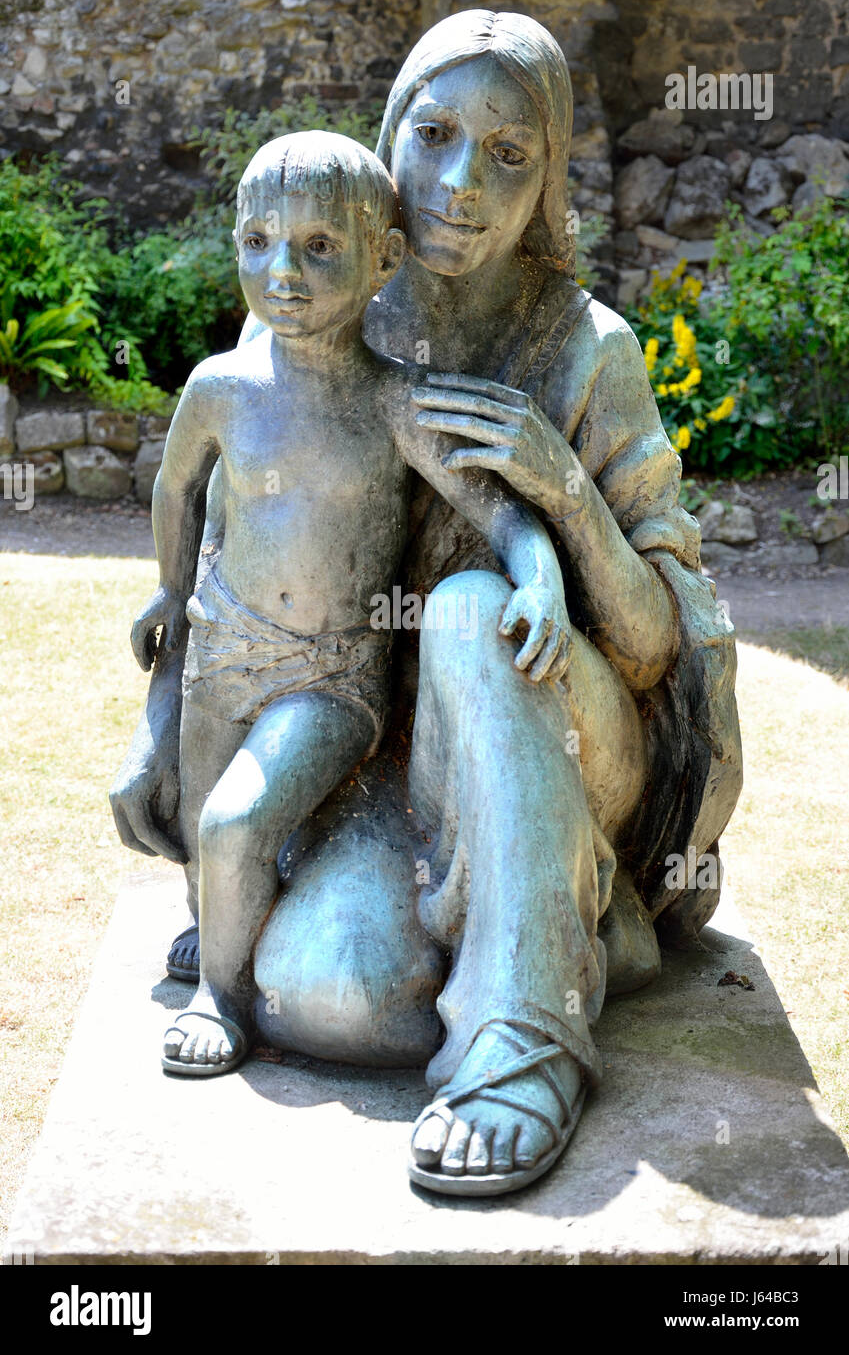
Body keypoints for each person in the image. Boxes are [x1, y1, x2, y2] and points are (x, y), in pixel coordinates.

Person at [111, 12, 741, 1195]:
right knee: (331, 992)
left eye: (509, 154)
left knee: (468, 609)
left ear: (548, 177)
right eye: (436, 133)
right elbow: (217, 546)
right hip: (377, 763)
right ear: (391, 134)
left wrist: (557, 484)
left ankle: (521, 1047)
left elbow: (662, 650)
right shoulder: (320, 302)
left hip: (568, 729)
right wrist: (164, 731)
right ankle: (555, 926)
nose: (458, 183)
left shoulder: (588, 350)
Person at [130, 129, 572, 1077]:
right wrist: (170, 589)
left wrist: (538, 574)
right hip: (222, 651)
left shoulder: (393, 404)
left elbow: (495, 512)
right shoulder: (221, 387)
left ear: (383, 257)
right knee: (206, 833)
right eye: (259, 243)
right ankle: (218, 934)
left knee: (235, 823)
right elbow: (177, 489)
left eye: (319, 248)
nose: (281, 273)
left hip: (329, 678)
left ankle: (222, 993)